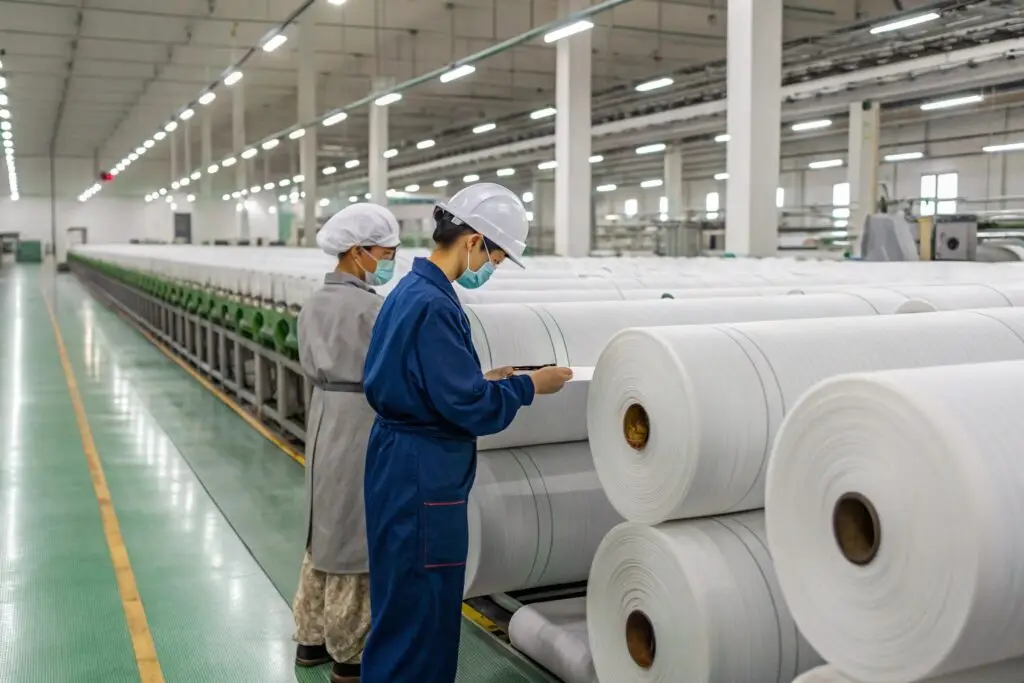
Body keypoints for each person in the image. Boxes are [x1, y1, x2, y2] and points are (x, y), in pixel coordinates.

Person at [359, 183, 574, 683]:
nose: (493, 268)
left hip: (401, 464)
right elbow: (468, 407)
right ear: (474, 241)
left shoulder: (413, 292)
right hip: (422, 476)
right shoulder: (432, 305)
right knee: (421, 616)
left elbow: (435, 383)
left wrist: (488, 379)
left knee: (402, 609)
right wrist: (529, 386)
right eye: (497, 257)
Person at [292, 202, 401, 683]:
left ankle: (310, 639)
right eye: (386, 251)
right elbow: (394, 375)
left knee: (325, 527)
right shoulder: (372, 308)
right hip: (362, 420)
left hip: (324, 417)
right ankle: (349, 657)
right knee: (357, 534)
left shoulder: (312, 302)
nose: (390, 259)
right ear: (358, 252)